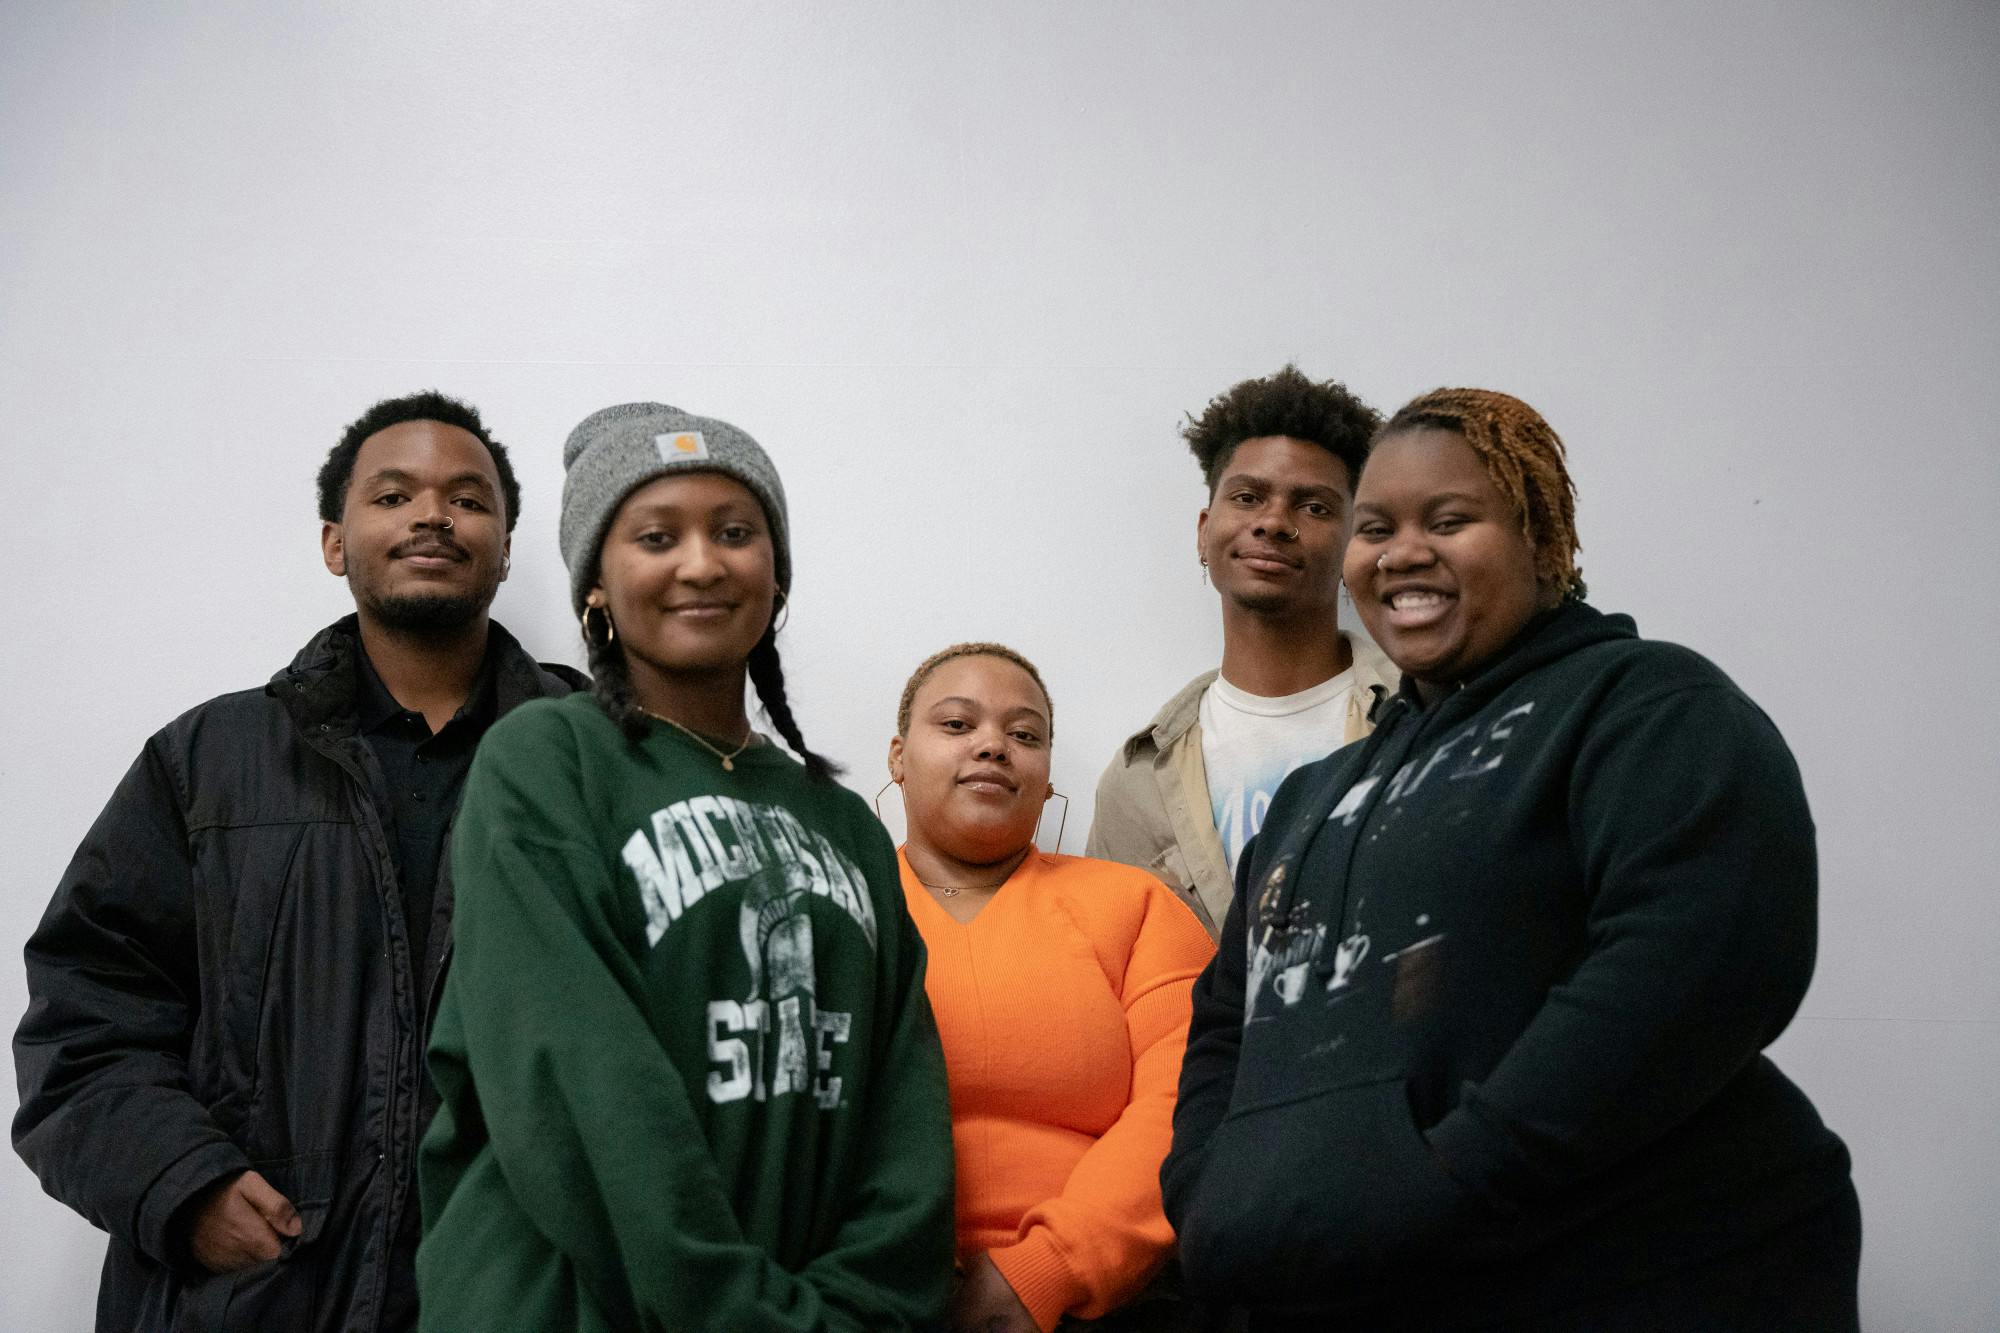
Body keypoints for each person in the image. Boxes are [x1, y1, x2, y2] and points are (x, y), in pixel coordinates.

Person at [1162, 388, 1862, 1330]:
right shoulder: (1311, 797)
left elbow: (1700, 957)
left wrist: (1453, 1176)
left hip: (1637, 1278)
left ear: (1544, 541)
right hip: (1356, 1294)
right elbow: (1224, 1026)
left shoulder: (1648, 705)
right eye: (1376, 527)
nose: (1405, 551)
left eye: (1449, 520)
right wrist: (1209, 1197)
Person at [12, 391, 583, 1332]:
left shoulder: (592, 757)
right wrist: (180, 1182)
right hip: (251, 1298)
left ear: (508, 547)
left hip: (514, 1294)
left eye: (469, 499)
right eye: (393, 495)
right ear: (334, 541)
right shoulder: (206, 762)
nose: (433, 514)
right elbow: (84, 1014)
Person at [417, 402, 954, 1331]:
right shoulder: (545, 761)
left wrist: (856, 1309)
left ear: (775, 574)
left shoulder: (844, 822)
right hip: (563, 1305)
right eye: (656, 536)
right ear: (597, 584)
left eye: (735, 533)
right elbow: (578, 1075)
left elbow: (902, 1109)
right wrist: (737, 1311)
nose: (701, 563)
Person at [887, 643, 1216, 1333]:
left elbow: (1183, 1100)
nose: (993, 746)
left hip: (1115, 1303)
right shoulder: (836, 907)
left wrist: (1048, 1268)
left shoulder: (1137, 904)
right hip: (874, 1294)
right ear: (897, 756)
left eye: (1024, 734)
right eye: (956, 724)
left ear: (1045, 775)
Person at [1087, 366, 1395, 938]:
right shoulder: (1137, 781)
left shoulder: (1430, 720)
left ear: (1357, 542)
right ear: (1205, 531)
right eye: (1248, 497)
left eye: (1315, 507)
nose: (1274, 522)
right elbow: (1116, 971)